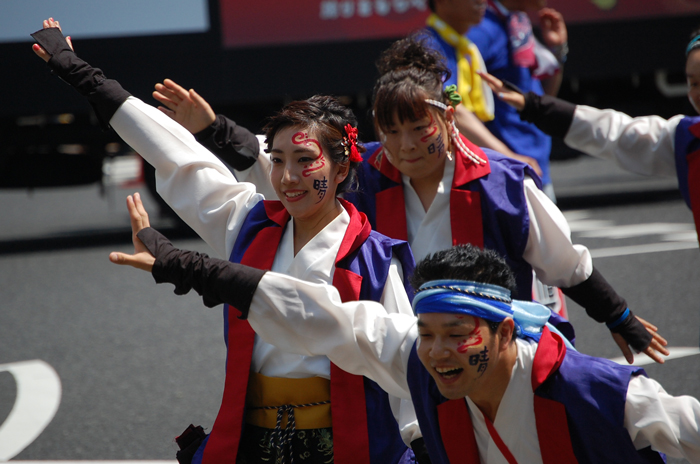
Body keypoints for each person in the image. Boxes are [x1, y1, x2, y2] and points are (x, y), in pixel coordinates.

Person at [30, 19, 420, 464]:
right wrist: (81, 74)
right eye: (277, 161)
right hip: (253, 441)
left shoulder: (373, 257)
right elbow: (173, 150)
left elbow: (402, 358)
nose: (288, 178)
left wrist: (420, 440)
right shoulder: (248, 222)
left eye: (305, 161)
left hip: (347, 444)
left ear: (342, 168)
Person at [153, 35, 668, 365]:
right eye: (390, 130)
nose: (403, 146)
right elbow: (282, 169)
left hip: (498, 351)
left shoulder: (503, 184)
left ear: (448, 118)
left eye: (418, 127)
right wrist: (213, 129)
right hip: (407, 349)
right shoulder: (364, 175)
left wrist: (619, 318)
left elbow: (565, 265)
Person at [108, 205, 700, 464]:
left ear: (501, 332)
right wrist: (176, 263)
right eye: (426, 332)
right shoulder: (417, 362)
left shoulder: (593, 387)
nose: (438, 351)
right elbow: (317, 315)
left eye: (456, 335)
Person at [479, 26, 700, 245]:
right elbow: (617, 134)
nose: (698, 92)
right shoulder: (688, 139)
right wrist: (532, 106)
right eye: (693, 83)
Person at [420, 0, 542, 176]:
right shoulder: (428, 46)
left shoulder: (464, 46)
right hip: (480, 167)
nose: (481, 1)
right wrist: (508, 156)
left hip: (512, 160)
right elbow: (449, 106)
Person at [467, 0, 569, 201]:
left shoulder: (516, 20)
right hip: (508, 173)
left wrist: (557, 50)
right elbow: (460, 108)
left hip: (534, 165)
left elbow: (542, 101)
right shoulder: (482, 29)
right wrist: (507, 156)